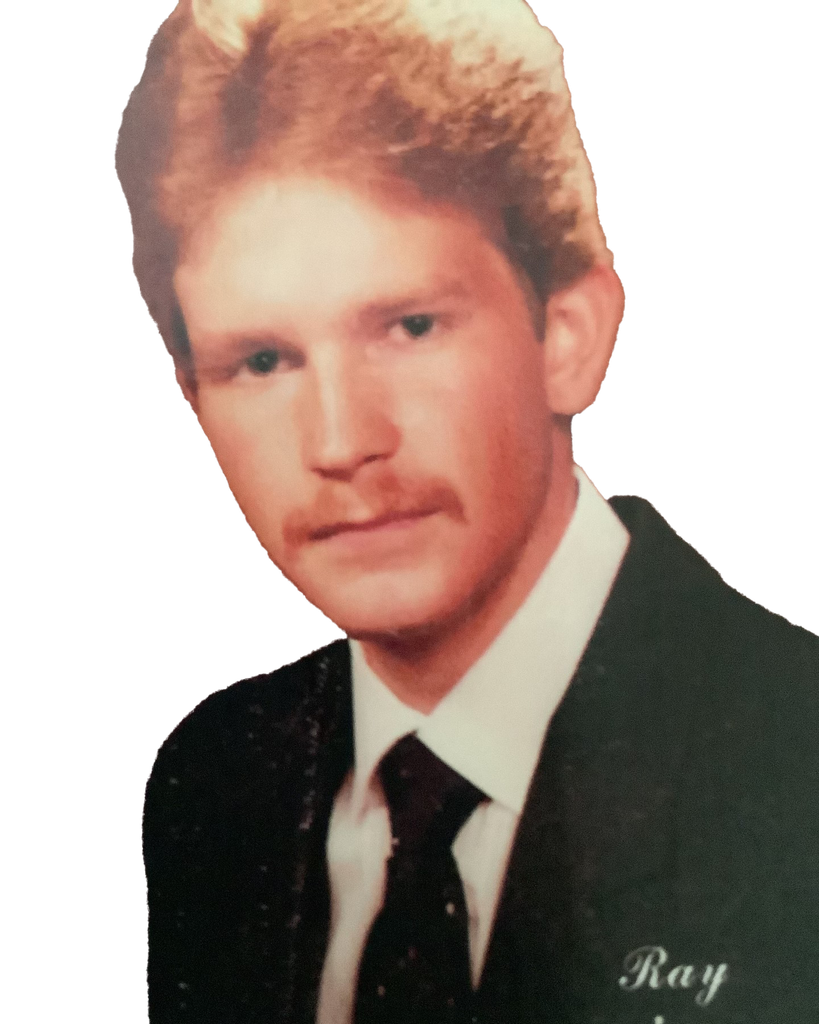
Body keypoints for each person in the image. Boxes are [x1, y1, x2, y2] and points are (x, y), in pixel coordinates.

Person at [125, 2, 818, 1022]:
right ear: (193, 399)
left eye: (409, 326)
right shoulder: (213, 783)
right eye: (262, 360)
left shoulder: (799, 756)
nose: (339, 441)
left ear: (568, 335)